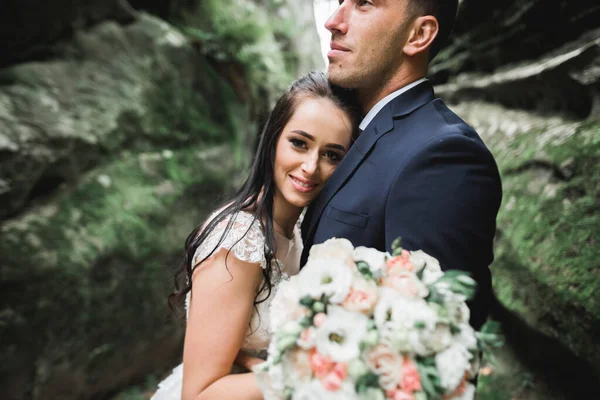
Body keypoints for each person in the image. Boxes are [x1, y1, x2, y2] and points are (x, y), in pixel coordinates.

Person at [151, 71, 358, 400]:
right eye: (299, 143)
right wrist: (314, 378)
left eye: (332, 155)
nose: (310, 166)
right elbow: (200, 393)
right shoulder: (240, 240)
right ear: (274, 138)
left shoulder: (299, 233)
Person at [301, 0, 502, 331]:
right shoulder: (343, 126)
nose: (333, 22)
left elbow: (431, 343)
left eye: (364, 4)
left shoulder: (444, 157)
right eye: (340, 3)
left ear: (419, 34)